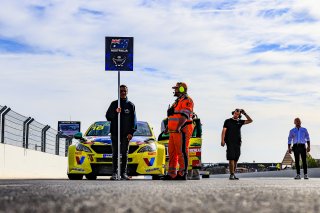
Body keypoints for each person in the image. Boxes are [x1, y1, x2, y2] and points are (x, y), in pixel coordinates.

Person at [162, 82, 194, 180]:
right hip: (173, 131)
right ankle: (172, 174)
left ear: (181, 89)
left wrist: (179, 127)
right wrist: (167, 128)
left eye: (176, 88)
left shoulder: (187, 100)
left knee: (181, 151)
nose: (174, 90)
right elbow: (172, 116)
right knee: (172, 152)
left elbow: (185, 115)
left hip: (182, 129)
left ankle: (182, 173)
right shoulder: (176, 102)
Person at [106, 85, 136, 180]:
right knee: (115, 153)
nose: (123, 92)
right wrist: (115, 112)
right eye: (121, 91)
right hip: (115, 133)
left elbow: (134, 121)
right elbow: (108, 117)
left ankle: (123, 173)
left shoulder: (131, 105)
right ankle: (114, 173)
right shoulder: (114, 104)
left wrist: (131, 132)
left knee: (124, 153)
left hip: (125, 134)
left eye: (124, 91)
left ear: (127, 92)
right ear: (118, 92)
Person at [221, 109, 253, 180]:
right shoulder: (227, 121)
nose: (236, 115)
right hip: (229, 142)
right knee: (231, 158)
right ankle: (231, 174)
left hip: (238, 143)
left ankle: (233, 174)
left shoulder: (240, 122)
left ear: (239, 115)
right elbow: (224, 130)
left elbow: (250, 120)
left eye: (237, 114)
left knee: (235, 159)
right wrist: (222, 140)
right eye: (235, 113)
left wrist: (245, 113)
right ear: (233, 113)